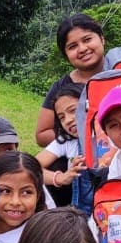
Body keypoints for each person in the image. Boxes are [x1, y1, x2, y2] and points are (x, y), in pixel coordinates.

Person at [36, 14, 107, 146]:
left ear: (102, 39)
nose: (82, 49)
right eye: (72, 46)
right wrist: (81, 133)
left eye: (87, 39)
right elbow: (42, 134)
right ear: (66, 55)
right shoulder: (61, 87)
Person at [37, 82, 86, 207]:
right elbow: (30, 167)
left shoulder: (109, 137)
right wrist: (60, 178)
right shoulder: (66, 141)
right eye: (61, 117)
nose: (68, 120)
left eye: (73, 110)